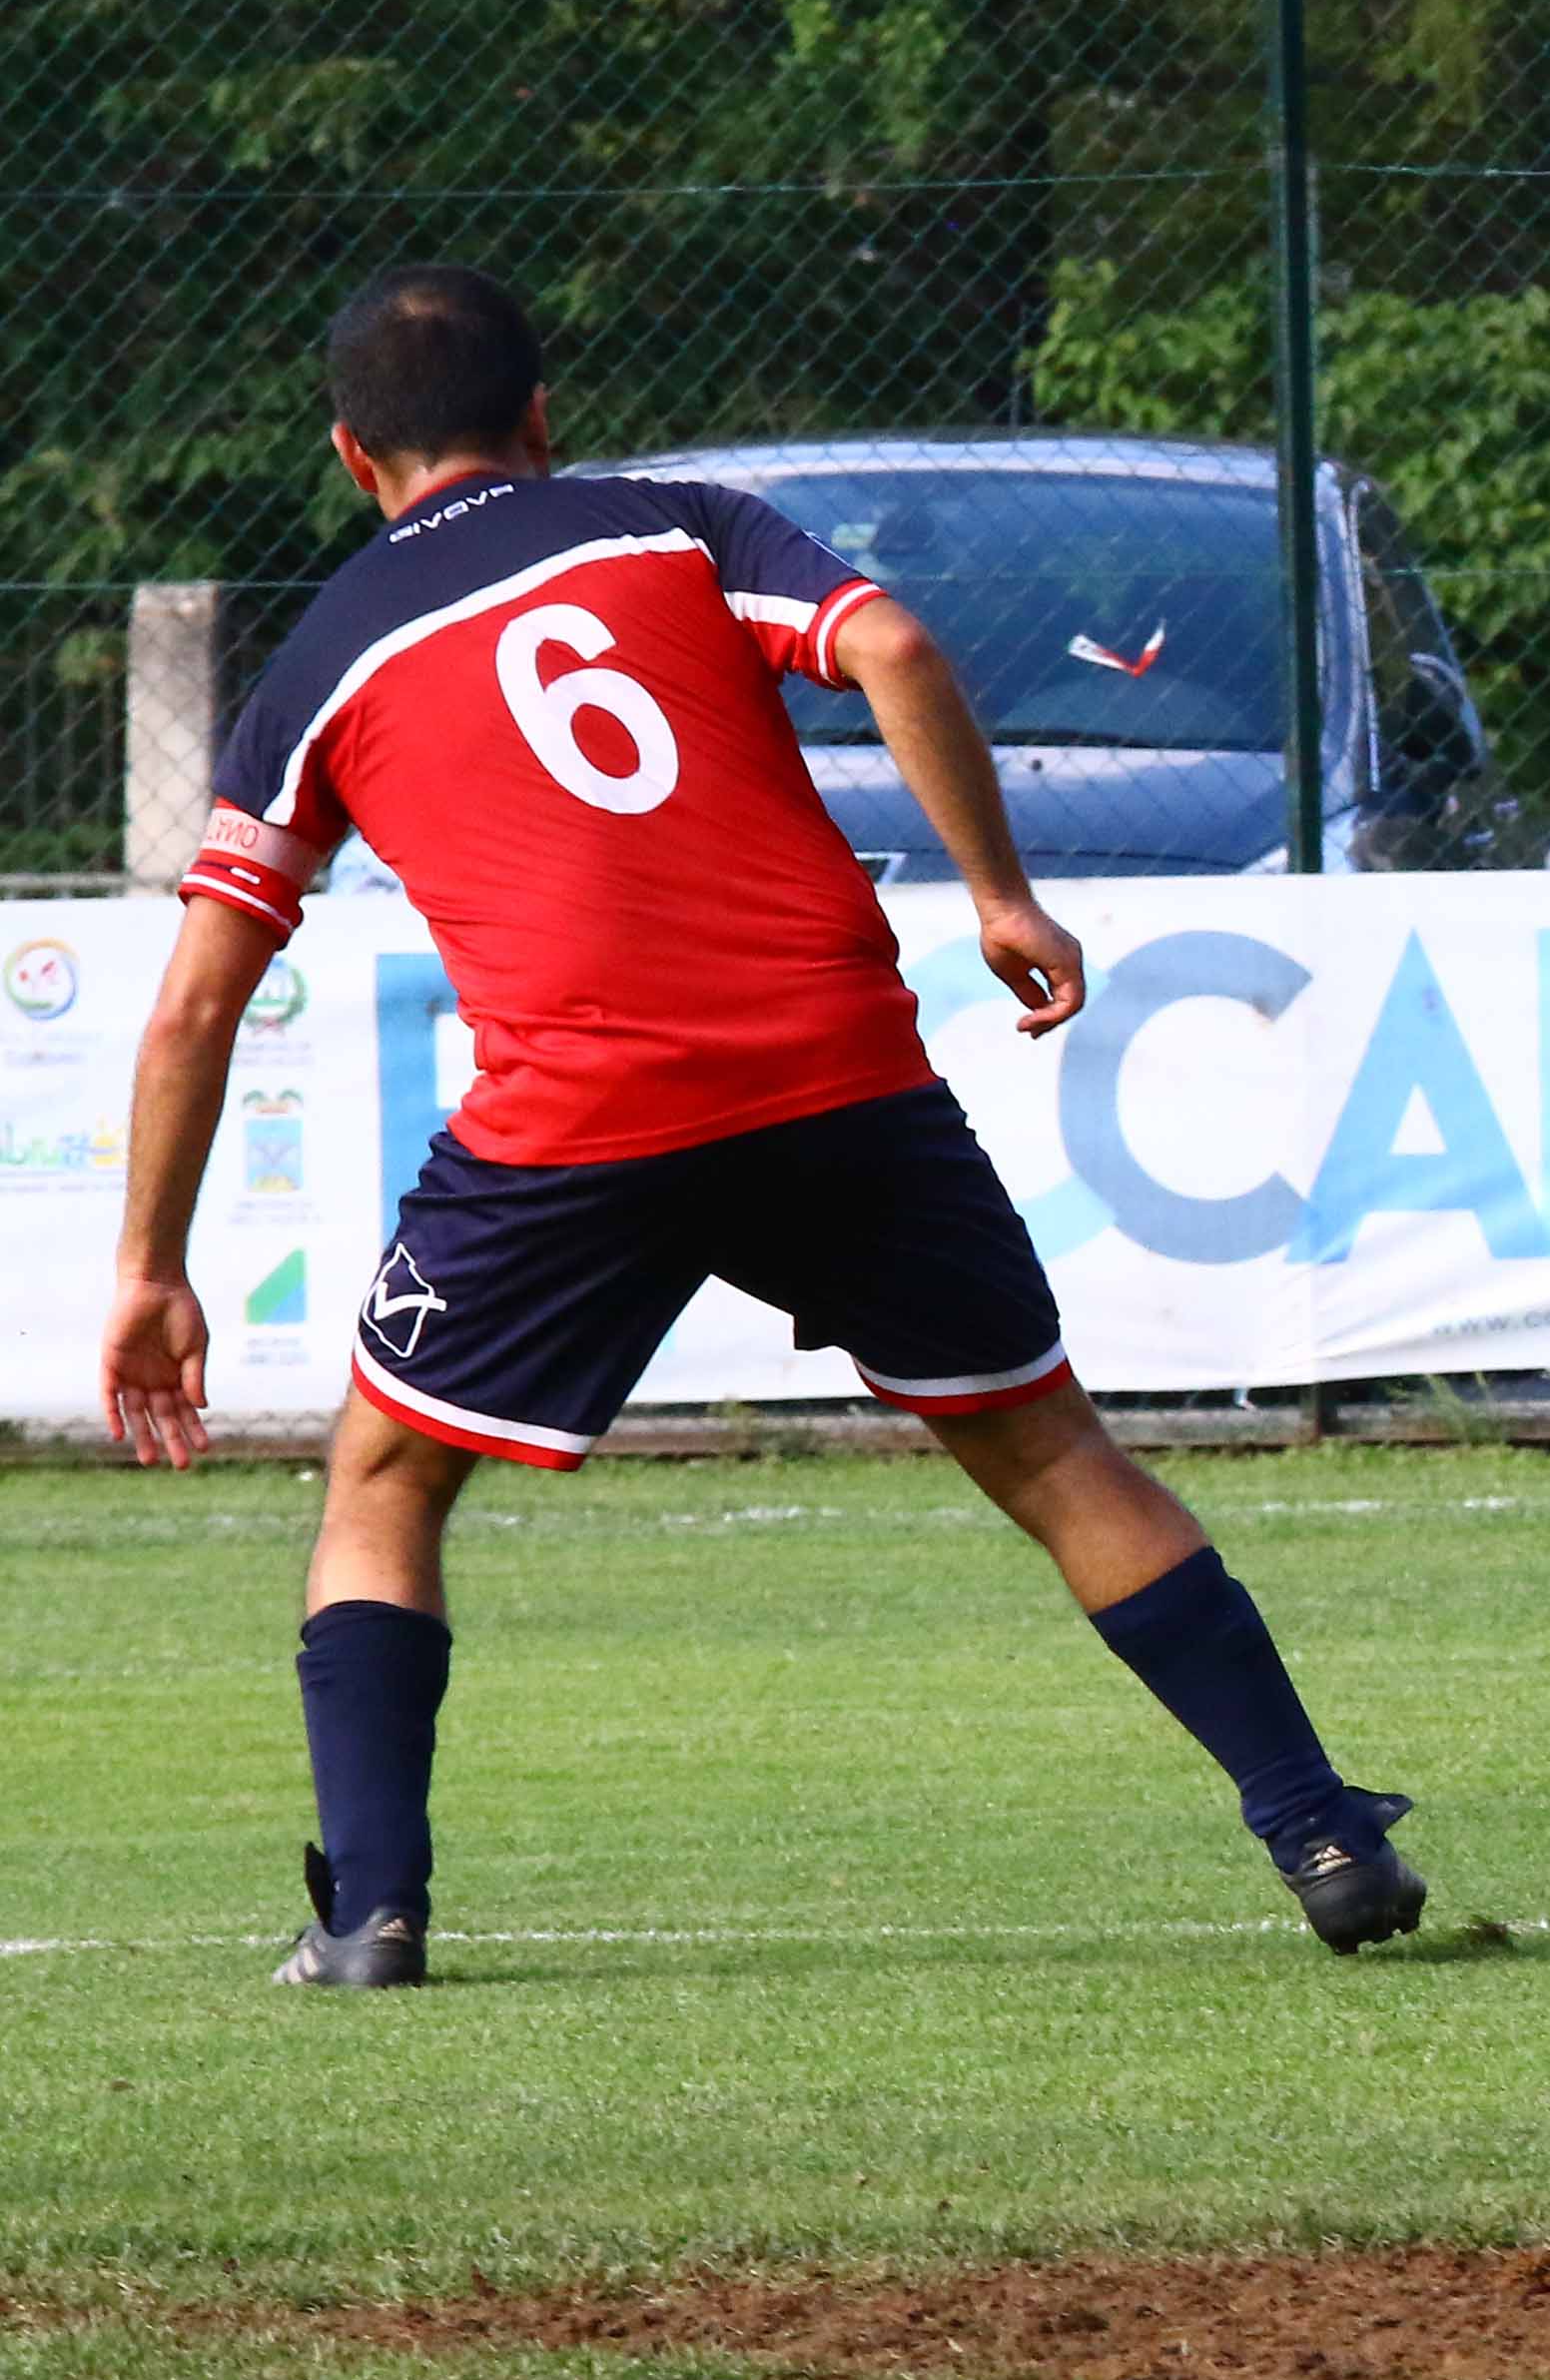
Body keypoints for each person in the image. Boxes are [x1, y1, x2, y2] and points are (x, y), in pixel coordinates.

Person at [99, 264, 1431, 1985]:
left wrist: (148, 1263)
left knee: (385, 1476)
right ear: (542, 417)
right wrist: (1003, 900)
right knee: (1048, 1451)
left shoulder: (326, 657)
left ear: (356, 453)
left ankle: (369, 1917)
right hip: (835, 1068)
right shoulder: (677, 526)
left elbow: (200, 994)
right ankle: (1319, 1828)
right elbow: (888, 641)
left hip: (580, 1114)